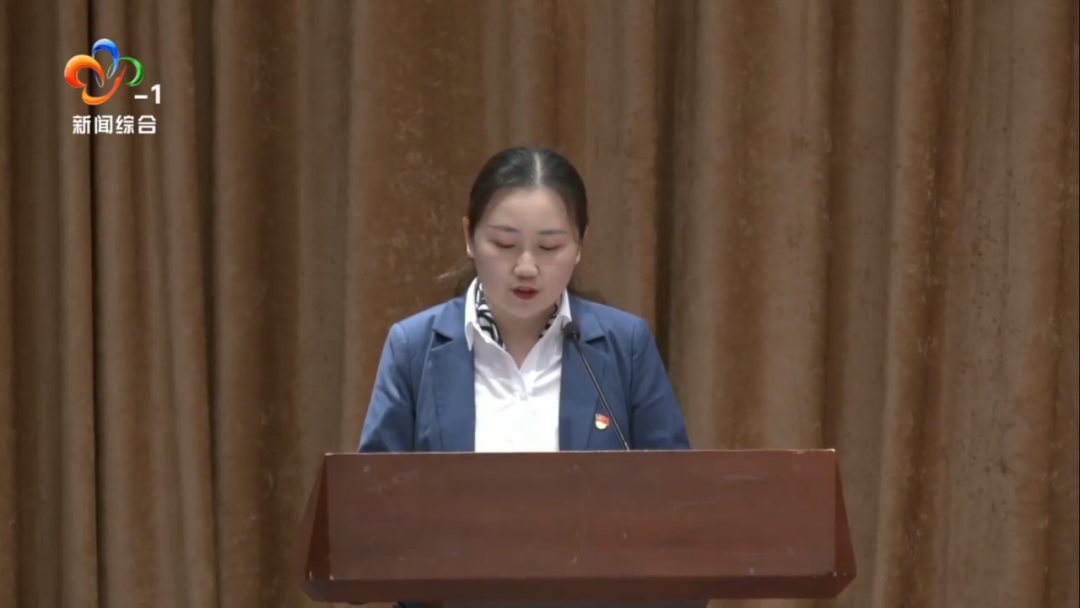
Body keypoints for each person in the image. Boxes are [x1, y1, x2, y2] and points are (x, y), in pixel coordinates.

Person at [358, 146, 690, 455]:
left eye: (549, 247)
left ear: (579, 245)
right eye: (504, 244)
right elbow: (374, 487)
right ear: (469, 237)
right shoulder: (413, 348)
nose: (526, 267)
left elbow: (672, 484)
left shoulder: (626, 346)